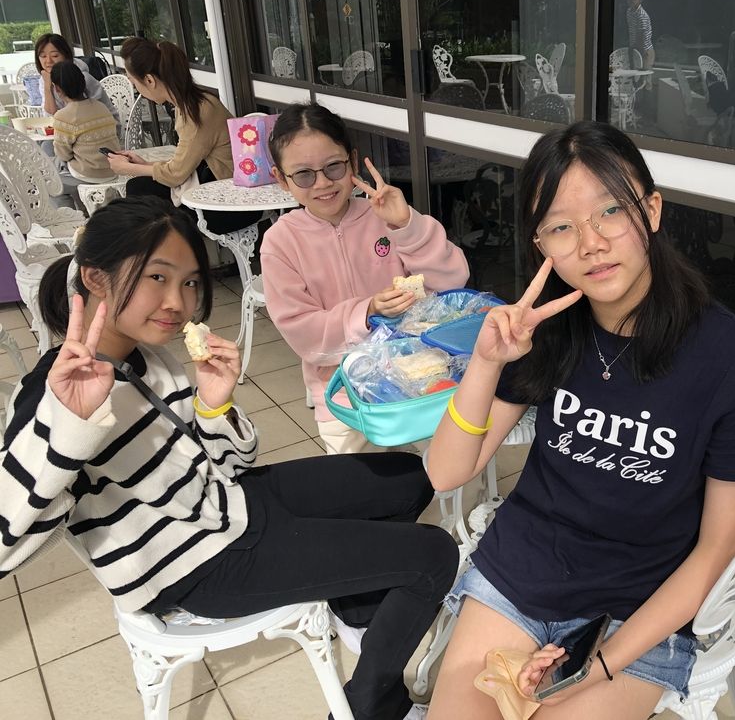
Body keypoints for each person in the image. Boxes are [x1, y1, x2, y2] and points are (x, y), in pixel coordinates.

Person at [0, 196, 458, 720]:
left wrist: (214, 406)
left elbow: (229, 465)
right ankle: (371, 708)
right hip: (193, 564)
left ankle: (357, 609)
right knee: (433, 556)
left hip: (228, 504)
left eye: (190, 282)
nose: (177, 301)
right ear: (96, 279)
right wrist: (68, 428)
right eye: (157, 277)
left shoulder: (148, 358)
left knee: (411, 476)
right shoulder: (53, 395)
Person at [424, 121, 735, 720]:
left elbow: (718, 547)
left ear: (652, 210)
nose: (590, 243)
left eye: (611, 211)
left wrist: (599, 666)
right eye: (560, 227)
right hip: (521, 575)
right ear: (540, 244)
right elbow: (445, 473)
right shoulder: (545, 332)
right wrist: (486, 363)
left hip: (637, 610)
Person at [261, 103, 470, 454]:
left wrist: (406, 226)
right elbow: (302, 333)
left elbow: (452, 281)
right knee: (356, 478)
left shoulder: (385, 216)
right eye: (304, 175)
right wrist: (367, 311)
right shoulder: (281, 243)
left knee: (449, 463)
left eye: (334, 167)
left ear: (353, 162)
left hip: (419, 374)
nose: (323, 183)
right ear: (281, 178)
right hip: (343, 391)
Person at [107, 38, 257, 234]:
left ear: (150, 80)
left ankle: (159, 249)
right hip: (217, 190)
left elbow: (176, 174)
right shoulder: (192, 104)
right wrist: (143, 165)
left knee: (142, 196)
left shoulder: (196, 112)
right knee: (140, 189)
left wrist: (129, 168)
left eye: (134, 83)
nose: (137, 91)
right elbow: (182, 165)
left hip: (232, 204)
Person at [50, 61, 121, 201]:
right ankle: (85, 208)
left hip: (89, 175)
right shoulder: (101, 106)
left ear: (57, 88)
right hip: (113, 169)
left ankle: (74, 215)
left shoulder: (64, 116)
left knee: (51, 185)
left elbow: (63, 155)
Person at [35, 32, 118, 129]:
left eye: (55, 56)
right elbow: (50, 115)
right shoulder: (45, 79)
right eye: (43, 56)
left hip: (103, 128)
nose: (48, 61)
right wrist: (47, 87)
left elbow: (93, 114)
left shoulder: (83, 78)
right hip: (73, 128)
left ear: (66, 56)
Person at [625, 0, 655, 70]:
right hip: (633, 48)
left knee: (644, 76)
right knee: (632, 75)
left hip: (645, 51)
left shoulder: (642, 15)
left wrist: (640, 52)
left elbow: (643, 36)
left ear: (641, 0)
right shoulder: (629, 12)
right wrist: (631, 48)